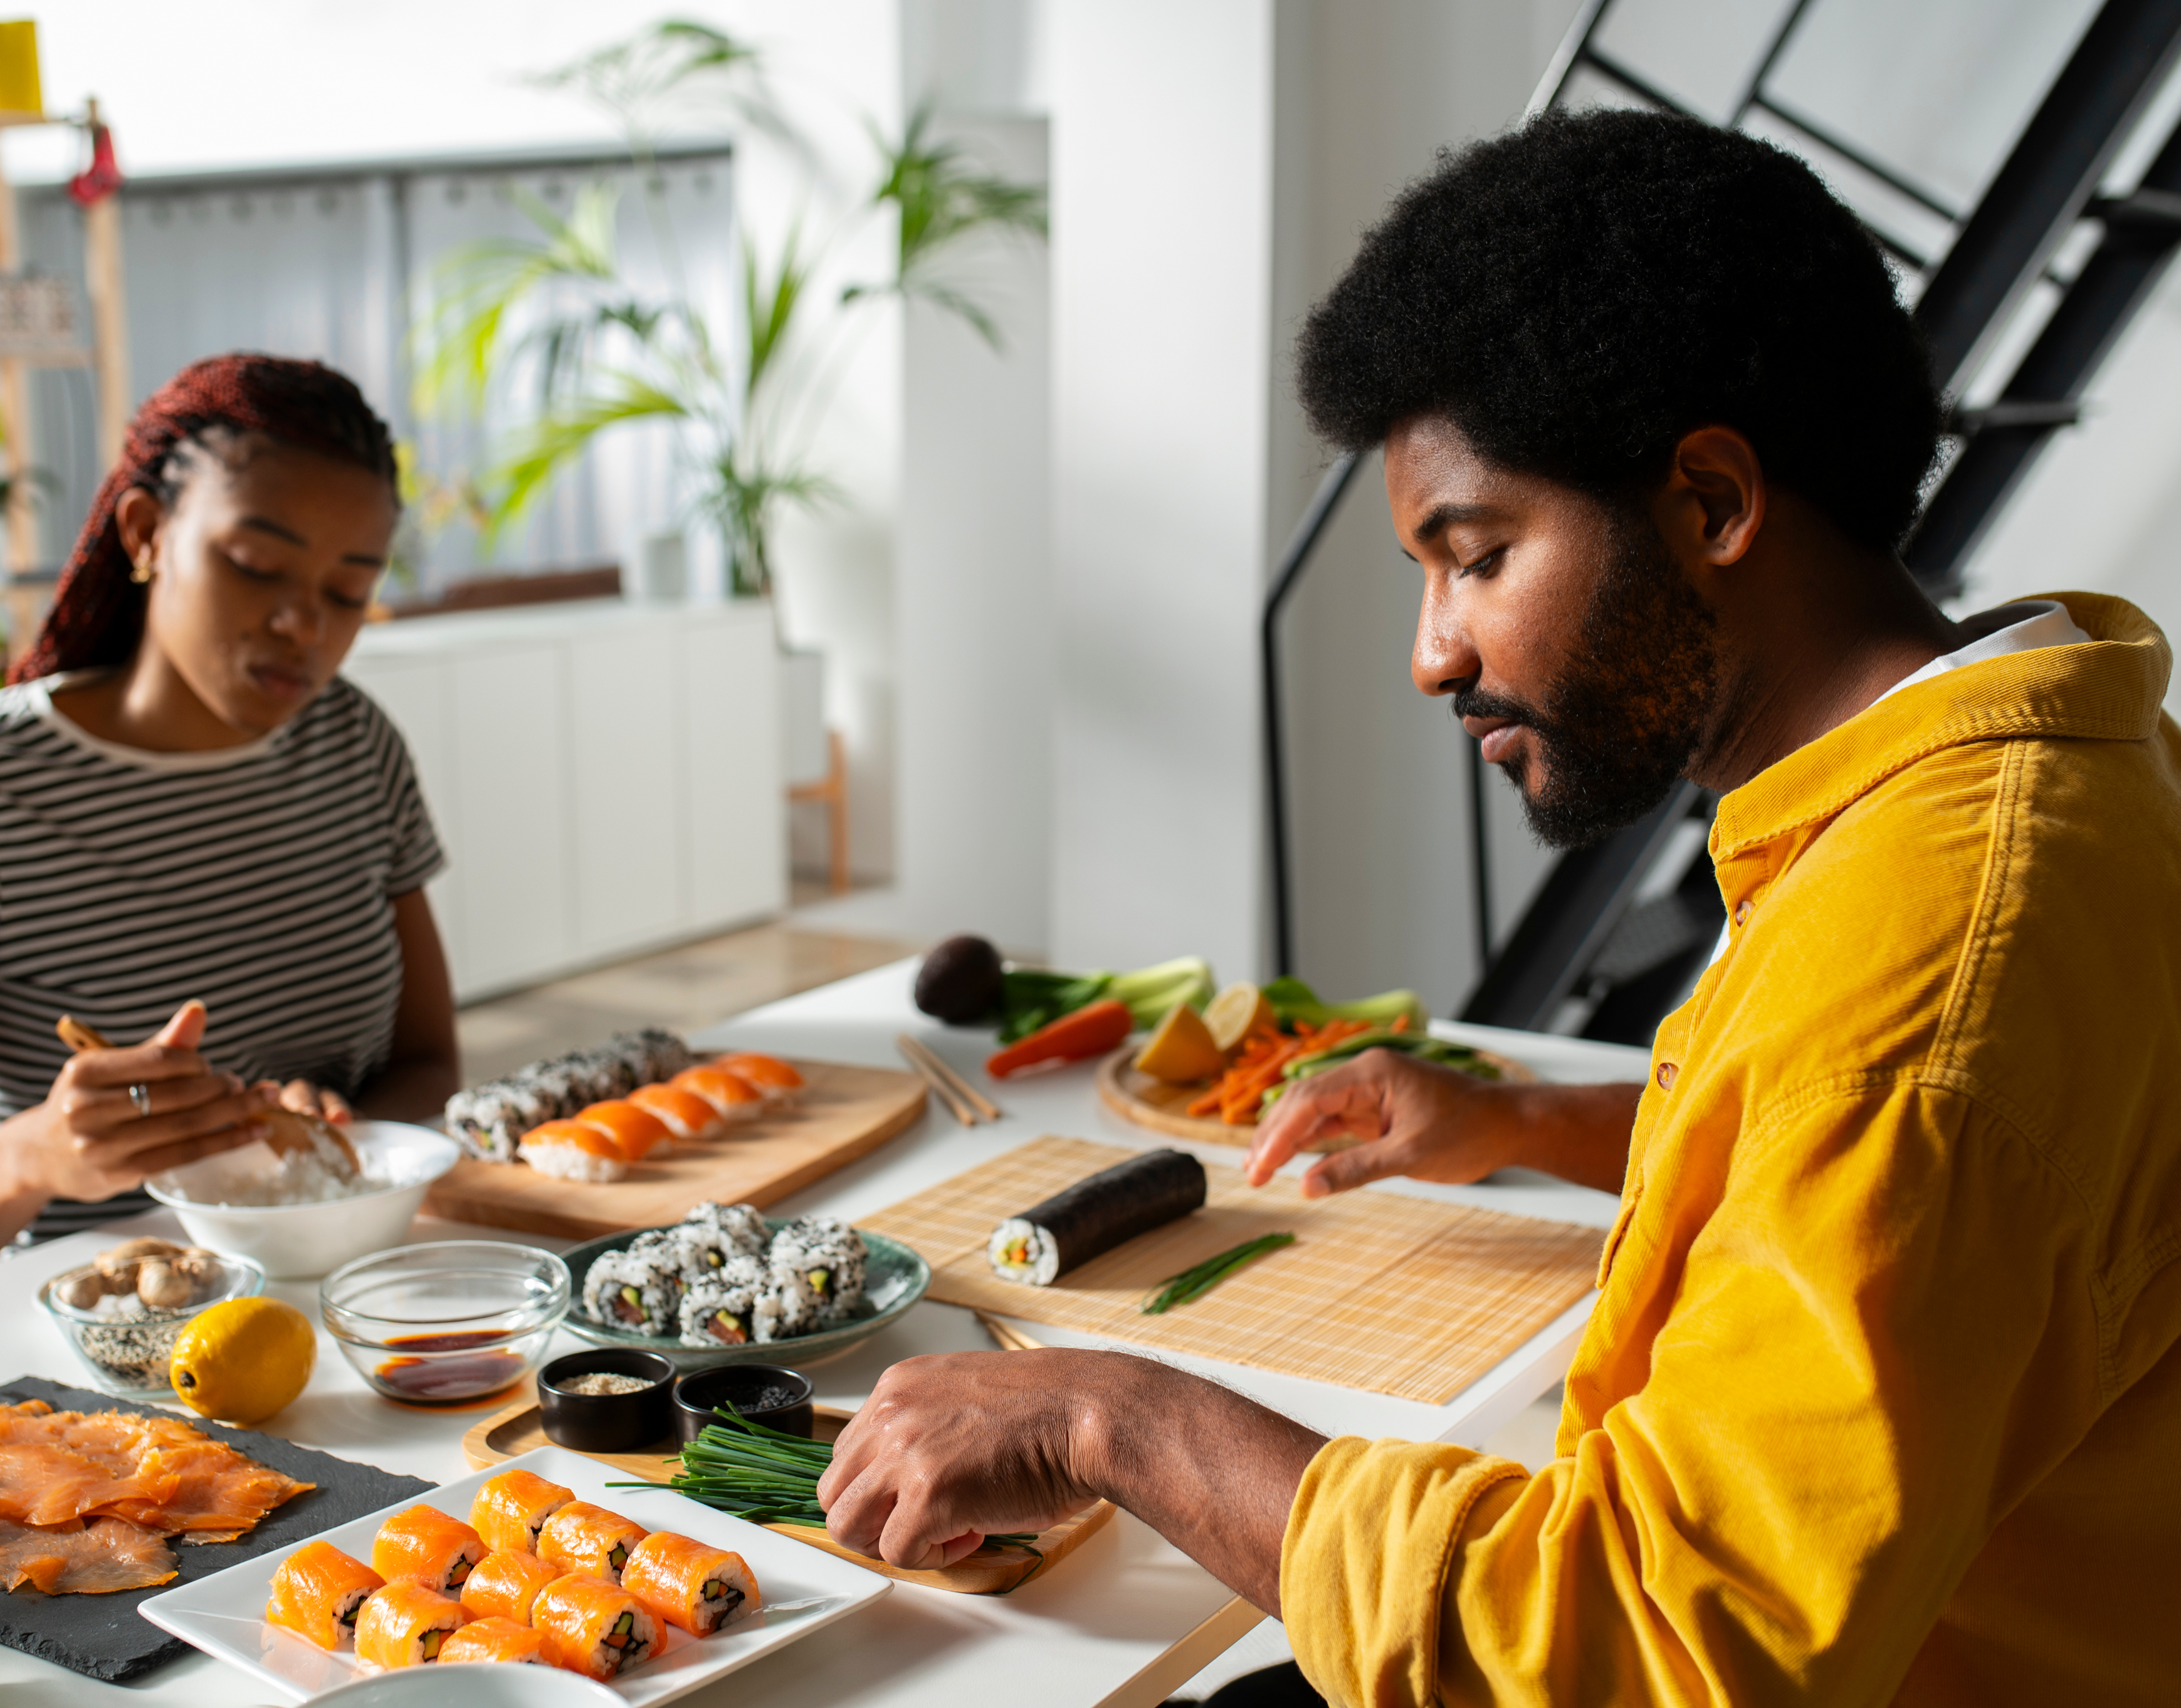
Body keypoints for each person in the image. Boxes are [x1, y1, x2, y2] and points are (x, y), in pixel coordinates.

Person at [818, 109, 2180, 1705]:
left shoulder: (1922, 964)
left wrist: (1114, 1417)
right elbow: (1868, 1176)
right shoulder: (2032, 774)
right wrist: (1527, 1116)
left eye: (1474, 556)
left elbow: (1644, 1651)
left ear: (1711, 502)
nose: (1431, 652)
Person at [0, 354, 461, 1287]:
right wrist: (34, 1155)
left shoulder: (352, 745)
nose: (302, 625)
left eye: (348, 590)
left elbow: (430, 1059)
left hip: (347, 1283)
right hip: (109, 1322)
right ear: (147, 531)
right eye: (255, 565)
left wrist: (341, 1125)